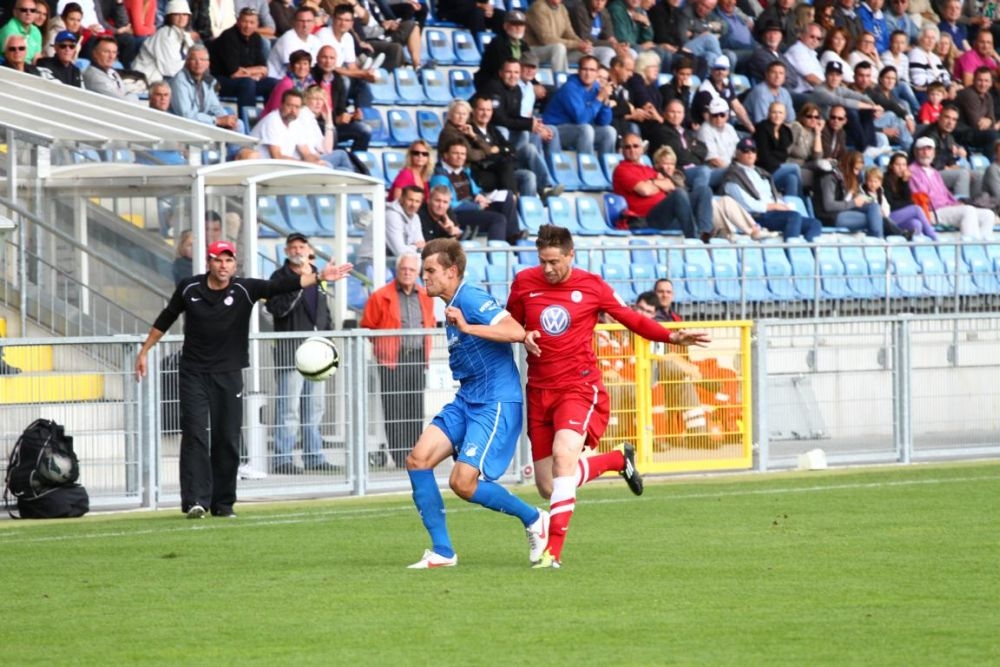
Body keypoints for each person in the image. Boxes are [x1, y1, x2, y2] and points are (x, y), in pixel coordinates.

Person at [506, 224, 711, 568]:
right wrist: (522, 334)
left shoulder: (592, 286)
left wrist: (671, 337)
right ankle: (616, 460)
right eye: (543, 261)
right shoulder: (525, 282)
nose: (548, 269)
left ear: (571, 255)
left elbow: (631, 318)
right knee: (548, 486)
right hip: (539, 391)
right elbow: (509, 324)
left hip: (578, 387)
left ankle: (552, 552)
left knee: (563, 457)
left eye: (554, 262)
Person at [134, 240, 353, 518]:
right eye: (217, 260)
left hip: (229, 373)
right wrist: (145, 351)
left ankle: (223, 504)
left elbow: (278, 287)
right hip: (194, 373)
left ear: (234, 264)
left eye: (228, 260)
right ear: (209, 263)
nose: (223, 265)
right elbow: (166, 317)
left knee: (227, 437)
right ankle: (195, 501)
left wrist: (320, 276)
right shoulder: (190, 287)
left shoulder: (244, 289)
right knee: (195, 435)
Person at [402, 238, 547, 569]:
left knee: (462, 483)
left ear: (452, 271)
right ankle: (442, 551)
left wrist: (468, 326)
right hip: (467, 398)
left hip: (494, 400)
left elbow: (515, 330)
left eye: (431, 270)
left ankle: (534, 519)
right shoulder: (451, 304)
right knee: (418, 460)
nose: (425, 277)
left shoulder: (470, 298)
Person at [265, 232, 341, 475]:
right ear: (286, 252)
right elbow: (278, 309)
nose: (297, 251)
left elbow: (323, 312)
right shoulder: (279, 278)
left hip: (317, 354)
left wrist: (329, 342)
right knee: (289, 409)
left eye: (301, 246)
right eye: (293, 247)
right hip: (291, 354)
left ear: (309, 250)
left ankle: (314, 456)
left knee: (315, 408)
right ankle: (282, 459)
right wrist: (300, 284)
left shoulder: (319, 275)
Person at [359, 252, 435, 470]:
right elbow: (367, 326)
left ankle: (415, 453)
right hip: (392, 358)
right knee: (394, 407)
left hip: (417, 356)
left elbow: (430, 322)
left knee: (415, 406)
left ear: (417, 272)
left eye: (411, 269)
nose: (407, 273)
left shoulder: (425, 295)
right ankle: (401, 455)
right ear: (397, 270)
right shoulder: (380, 296)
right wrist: (382, 346)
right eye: (403, 269)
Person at [723, 137, 823, 240]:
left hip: (773, 213)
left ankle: (810, 248)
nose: (750, 154)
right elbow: (747, 205)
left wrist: (783, 206)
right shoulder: (733, 176)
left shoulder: (761, 172)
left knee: (814, 223)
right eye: (745, 150)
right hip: (757, 216)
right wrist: (773, 206)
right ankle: (791, 247)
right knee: (793, 217)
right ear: (737, 154)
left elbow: (772, 196)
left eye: (753, 150)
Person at [612, 132, 708, 238]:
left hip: (667, 215)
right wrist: (657, 184)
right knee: (678, 195)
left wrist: (652, 183)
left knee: (704, 191)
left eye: (635, 146)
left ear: (642, 149)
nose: (632, 149)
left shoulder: (648, 169)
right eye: (627, 147)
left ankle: (704, 235)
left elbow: (670, 185)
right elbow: (645, 190)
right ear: (622, 150)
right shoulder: (621, 170)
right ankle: (693, 240)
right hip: (646, 218)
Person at [428, 137, 523, 245]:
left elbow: (476, 190)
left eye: (463, 154)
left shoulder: (464, 171)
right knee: (498, 219)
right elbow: (447, 204)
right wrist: (475, 206)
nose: (460, 157)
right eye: (455, 153)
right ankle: (497, 252)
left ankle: (512, 237)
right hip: (457, 214)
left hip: (474, 207)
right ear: (445, 155)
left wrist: (480, 196)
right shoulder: (440, 176)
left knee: (507, 196)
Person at [909, 137, 995, 239]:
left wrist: (956, 203)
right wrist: (951, 205)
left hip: (945, 208)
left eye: (929, 149)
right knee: (968, 211)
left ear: (934, 153)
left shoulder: (934, 172)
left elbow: (946, 194)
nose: (925, 153)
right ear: (915, 152)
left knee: (988, 215)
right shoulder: (912, 172)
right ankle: (968, 245)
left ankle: (982, 244)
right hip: (931, 211)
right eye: (922, 149)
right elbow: (924, 198)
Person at [541, 54, 617, 157]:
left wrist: (605, 100)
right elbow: (581, 119)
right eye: (585, 69)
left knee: (609, 132)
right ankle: (587, 165)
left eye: (592, 70)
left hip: (576, 129)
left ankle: (607, 166)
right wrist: (599, 98)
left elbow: (604, 121)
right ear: (579, 71)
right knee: (586, 129)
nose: (588, 74)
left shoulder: (596, 87)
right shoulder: (570, 88)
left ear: (597, 73)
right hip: (555, 130)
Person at [210, 6, 278, 113]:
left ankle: (271, 118)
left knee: (273, 83)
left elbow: (264, 69)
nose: (248, 26)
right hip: (220, 81)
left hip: (247, 80)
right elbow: (234, 73)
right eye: (244, 21)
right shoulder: (228, 36)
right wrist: (254, 73)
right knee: (247, 84)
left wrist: (249, 72)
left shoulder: (256, 38)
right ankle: (249, 119)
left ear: (257, 24)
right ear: (238, 22)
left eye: (252, 22)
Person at [169, 45, 242, 133]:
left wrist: (226, 119)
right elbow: (186, 115)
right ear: (187, 62)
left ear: (208, 63)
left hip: (202, 122)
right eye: (194, 59)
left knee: (238, 124)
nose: (198, 63)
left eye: (202, 60)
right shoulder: (179, 81)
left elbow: (215, 107)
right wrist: (216, 120)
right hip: (183, 126)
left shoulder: (207, 80)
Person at [814, 150, 887, 236]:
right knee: (874, 219)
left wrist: (866, 199)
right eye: (856, 169)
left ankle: (878, 240)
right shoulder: (829, 177)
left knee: (875, 207)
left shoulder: (849, 178)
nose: (857, 173)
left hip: (844, 210)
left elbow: (851, 198)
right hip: (830, 216)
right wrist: (854, 203)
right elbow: (829, 206)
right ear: (847, 166)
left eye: (859, 170)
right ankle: (879, 241)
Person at [357, 184, 426, 271]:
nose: (413, 205)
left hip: (391, 261)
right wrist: (416, 247)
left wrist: (416, 248)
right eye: (410, 200)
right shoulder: (391, 215)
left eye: (417, 201)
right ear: (401, 199)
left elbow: (422, 247)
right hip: (369, 262)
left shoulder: (415, 217)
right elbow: (399, 251)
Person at [131, 0, 195, 84]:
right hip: (145, 80)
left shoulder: (185, 35)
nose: (181, 18)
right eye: (176, 14)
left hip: (163, 80)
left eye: (184, 14)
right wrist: (189, 63)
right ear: (170, 17)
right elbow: (169, 69)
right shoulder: (165, 34)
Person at [865, 163, 936, 237]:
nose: (873, 184)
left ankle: (911, 242)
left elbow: (888, 206)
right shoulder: (865, 193)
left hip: (889, 217)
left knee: (916, 224)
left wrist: (905, 182)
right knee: (916, 209)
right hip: (883, 220)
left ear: (880, 183)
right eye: (870, 181)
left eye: (875, 182)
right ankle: (933, 236)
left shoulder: (880, 192)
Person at [751, 101, 804, 198]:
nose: (777, 115)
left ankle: (792, 205)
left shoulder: (785, 131)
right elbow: (764, 156)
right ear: (769, 114)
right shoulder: (762, 129)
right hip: (764, 170)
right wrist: (778, 159)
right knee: (795, 167)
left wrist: (777, 158)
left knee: (792, 178)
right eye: (774, 112)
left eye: (780, 113)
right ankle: (802, 201)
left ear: (785, 115)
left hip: (778, 167)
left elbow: (784, 155)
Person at [82, 35, 139, 102]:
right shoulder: (94, 76)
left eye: (114, 52)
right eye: (106, 52)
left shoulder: (111, 71)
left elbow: (125, 92)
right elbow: (122, 102)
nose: (111, 56)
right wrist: (134, 96)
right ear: (95, 53)